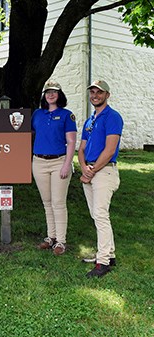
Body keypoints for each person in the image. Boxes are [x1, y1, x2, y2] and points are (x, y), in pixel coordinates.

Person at [78, 80, 123, 278]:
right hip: (90, 170)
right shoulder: (90, 120)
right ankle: (109, 254)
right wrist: (84, 168)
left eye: (99, 92)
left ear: (107, 95)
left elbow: (110, 149)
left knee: (100, 214)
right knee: (97, 215)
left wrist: (92, 170)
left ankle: (103, 262)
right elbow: (81, 148)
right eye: (93, 92)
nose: (95, 95)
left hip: (104, 171)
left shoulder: (112, 117)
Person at [32, 80, 77, 255]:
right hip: (39, 162)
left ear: (60, 95)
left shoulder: (67, 115)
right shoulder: (37, 114)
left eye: (54, 92)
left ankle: (61, 241)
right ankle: (50, 237)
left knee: (58, 203)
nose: (51, 95)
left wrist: (67, 164)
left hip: (59, 161)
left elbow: (71, 141)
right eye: (48, 92)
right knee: (47, 202)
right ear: (44, 95)